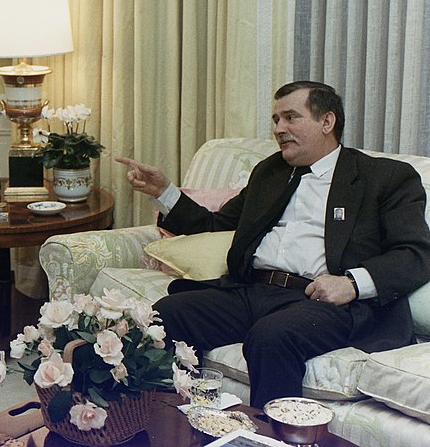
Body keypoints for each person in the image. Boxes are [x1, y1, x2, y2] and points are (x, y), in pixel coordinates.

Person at [117, 81, 430, 407]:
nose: (279, 129)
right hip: (253, 290)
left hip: (325, 302)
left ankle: (269, 440)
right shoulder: (270, 172)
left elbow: (416, 254)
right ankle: (168, 425)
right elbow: (216, 225)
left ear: (327, 122)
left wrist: (351, 284)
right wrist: (164, 192)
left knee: (271, 337)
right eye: (276, 120)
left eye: (291, 117)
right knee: (168, 314)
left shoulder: (385, 177)